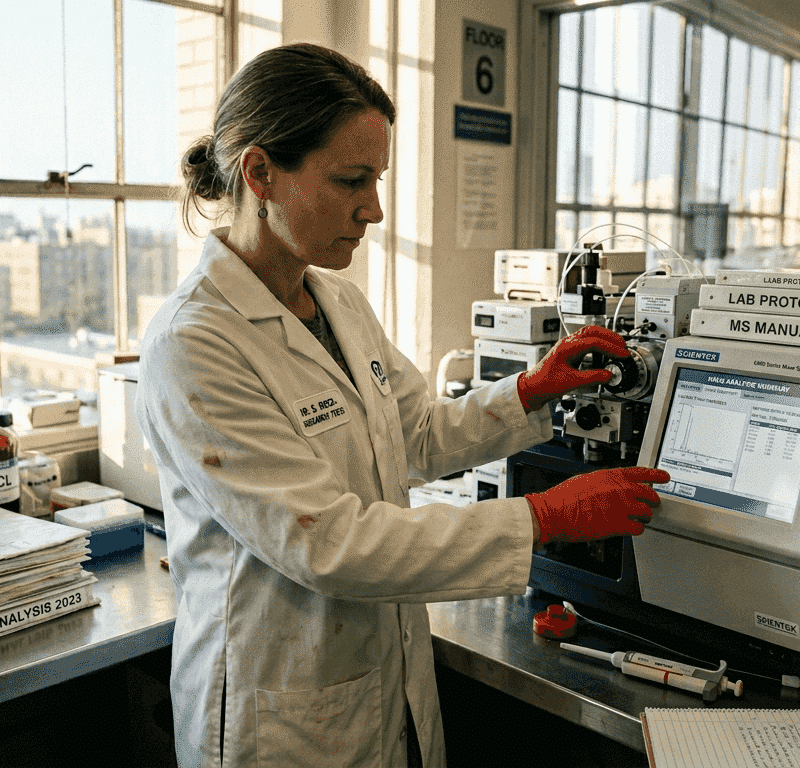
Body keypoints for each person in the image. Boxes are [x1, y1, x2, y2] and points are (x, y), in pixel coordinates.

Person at [136, 42, 670, 768]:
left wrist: (530, 390)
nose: (375, 209)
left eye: (377, 179)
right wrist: (546, 517)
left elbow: (414, 432)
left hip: (381, 680)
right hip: (281, 713)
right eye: (351, 180)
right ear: (260, 173)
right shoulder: (194, 342)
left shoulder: (337, 301)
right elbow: (327, 544)